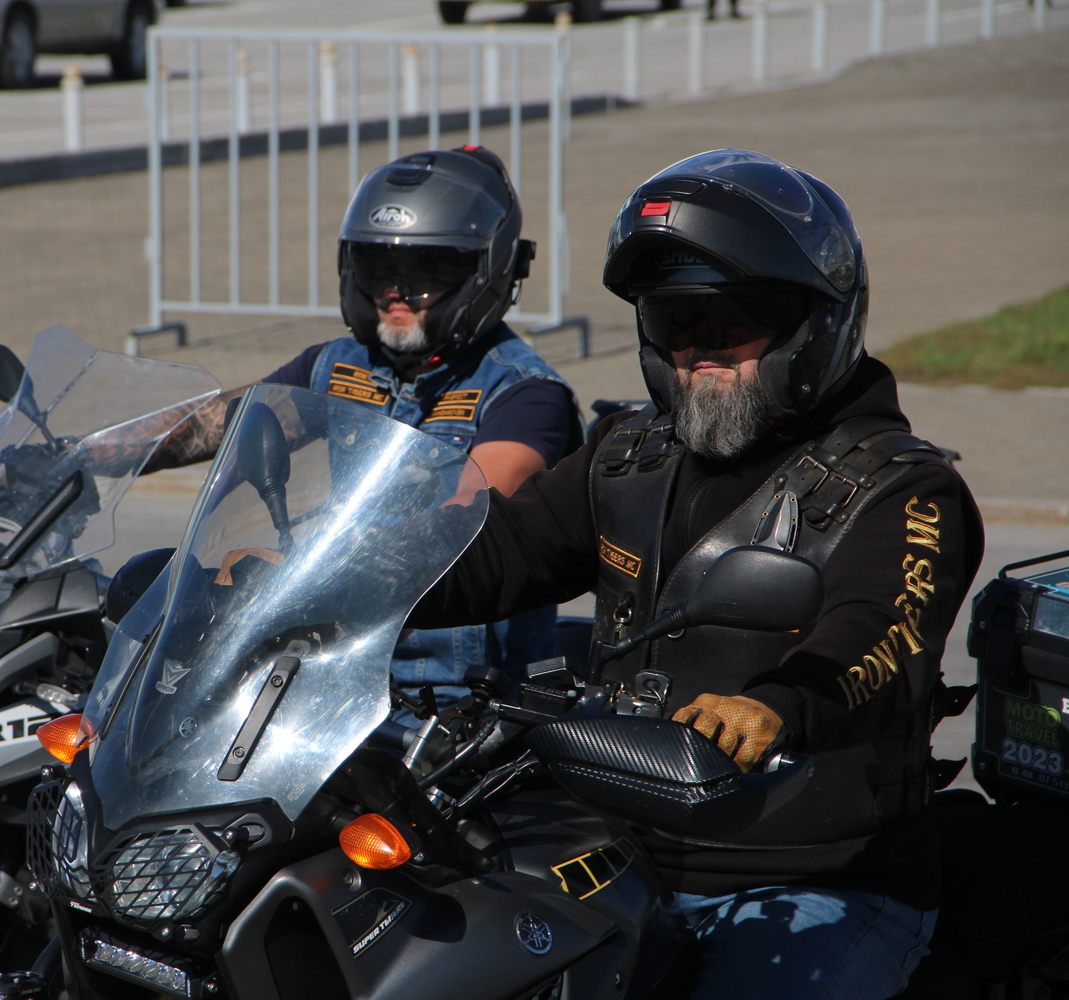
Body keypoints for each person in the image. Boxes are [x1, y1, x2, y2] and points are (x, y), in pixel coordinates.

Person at [409, 149, 984, 999]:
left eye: (730, 321)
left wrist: (778, 705)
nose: (698, 347)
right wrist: (337, 577)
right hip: (613, 850)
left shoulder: (903, 490)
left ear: (812, 325)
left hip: (809, 881)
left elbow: (881, 632)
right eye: (676, 320)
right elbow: (499, 554)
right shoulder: (627, 457)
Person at [146, 144, 584, 695]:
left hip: (463, 697)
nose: (395, 292)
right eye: (379, 269)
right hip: (341, 673)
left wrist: (304, 563)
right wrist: (91, 450)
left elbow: (465, 521)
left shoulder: (525, 394)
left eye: (424, 270)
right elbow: (214, 422)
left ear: (485, 271)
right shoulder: (338, 366)